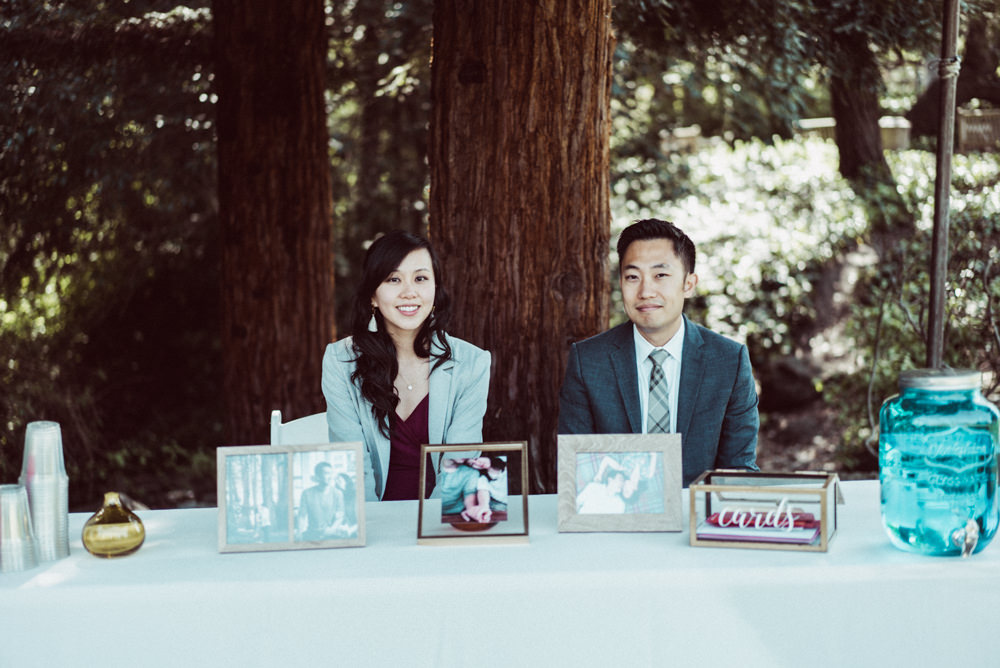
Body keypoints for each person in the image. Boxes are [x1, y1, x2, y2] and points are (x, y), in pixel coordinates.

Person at [558, 219, 759, 487]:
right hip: (616, 520)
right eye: (632, 277)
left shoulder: (728, 361)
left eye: (660, 275)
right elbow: (576, 470)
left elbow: (739, 469)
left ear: (688, 284)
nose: (645, 291)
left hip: (697, 518)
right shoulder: (588, 361)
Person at [322, 231, 491, 502]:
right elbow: (352, 466)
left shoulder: (472, 363)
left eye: (421, 278)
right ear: (372, 296)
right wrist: (373, 536)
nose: (409, 292)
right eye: (393, 279)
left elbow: (460, 463)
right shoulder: (340, 360)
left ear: (435, 291)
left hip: (441, 521)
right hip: (372, 521)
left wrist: (431, 533)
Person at [296, 462, 345, 541]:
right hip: (312, 534)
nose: (330, 477)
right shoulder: (307, 493)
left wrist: (331, 530)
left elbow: (340, 517)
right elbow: (302, 515)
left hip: (331, 534)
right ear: (318, 476)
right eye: (326, 473)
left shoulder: (338, 494)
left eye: (331, 473)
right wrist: (299, 531)